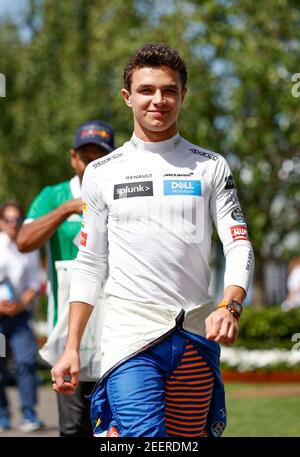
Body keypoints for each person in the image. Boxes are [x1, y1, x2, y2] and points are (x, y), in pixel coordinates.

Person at [51, 43, 255, 437]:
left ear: (183, 95)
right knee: (144, 437)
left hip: (195, 332)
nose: (158, 100)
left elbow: (239, 244)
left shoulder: (211, 166)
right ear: (127, 97)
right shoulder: (102, 172)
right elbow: (90, 263)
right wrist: (72, 345)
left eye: (169, 90)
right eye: (146, 90)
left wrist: (231, 305)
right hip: (130, 340)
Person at [17, 120, 115, 437]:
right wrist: (68, 208)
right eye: (86, 158)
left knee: (116, 430)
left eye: (100, 158)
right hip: (69, 334)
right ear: (73, 157)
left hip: (115, 331)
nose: (92, 165)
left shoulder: (121, 192)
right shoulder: (54, 194)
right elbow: (24, 240)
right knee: (73, 429)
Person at [0, 201, 42, 432]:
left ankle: (29, 414)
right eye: (8, 220)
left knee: (26, 362)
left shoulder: (30, 246)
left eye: (17, 220)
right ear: (1, 222)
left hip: (20, 317)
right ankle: (2, 413)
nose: (13, 224)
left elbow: (35, 282)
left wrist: (20, 304)